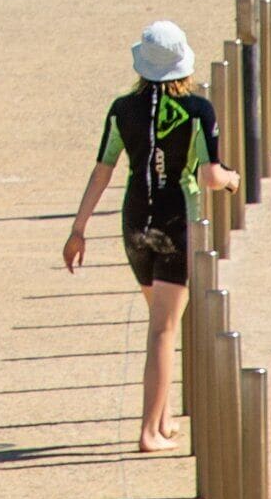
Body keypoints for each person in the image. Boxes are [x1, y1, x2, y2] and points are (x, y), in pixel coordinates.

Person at [61, 22, 235, 453]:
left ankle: (163, 417)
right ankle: (148, 432)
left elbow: (103, 168)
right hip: (177, 223)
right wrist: (232, 179)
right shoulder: (198, 109)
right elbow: (210, 176)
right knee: (163, 328)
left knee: (161, 321)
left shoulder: (122, 109)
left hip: (135, 221)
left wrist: (78, 229)